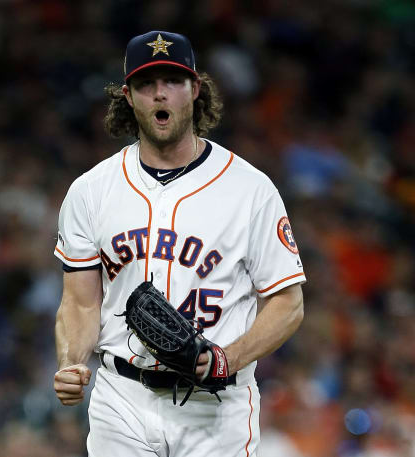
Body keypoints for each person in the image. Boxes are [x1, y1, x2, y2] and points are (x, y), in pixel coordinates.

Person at [53, 30, 306, 457]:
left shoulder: (250, 190)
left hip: (217, 406)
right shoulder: (90, 191)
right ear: (128, 97)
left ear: (195, 90)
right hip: (121, 400)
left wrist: (229, 357)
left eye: (172, 81)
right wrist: (71, 361)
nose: (159, 95)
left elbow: (288, 303)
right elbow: (79, 303)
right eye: (146, 84)